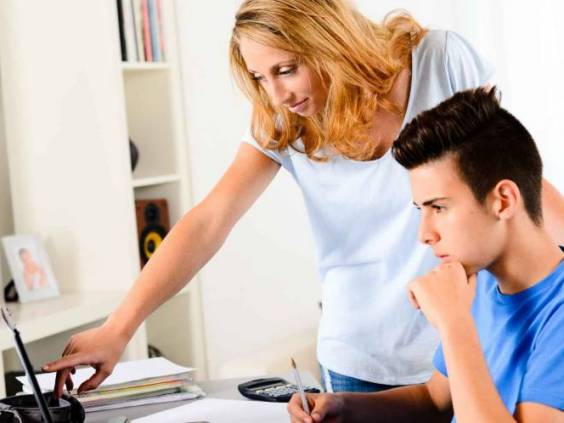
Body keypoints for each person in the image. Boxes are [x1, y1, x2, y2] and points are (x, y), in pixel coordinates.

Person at [43, 0, 564, 397]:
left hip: (469, 343)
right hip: (360, 360)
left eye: (286, 69)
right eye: (259, 77)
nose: (276, 94)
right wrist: (119, 328)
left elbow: (521, 181)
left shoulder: (440, 61)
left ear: (329, 40)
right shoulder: (282, 121)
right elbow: (209, 222)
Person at [288, 87, 564, 422]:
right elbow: (435, 399)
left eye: (439, 208)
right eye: (421, 209)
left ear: (503, 200)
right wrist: (343, 406)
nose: (424, 235)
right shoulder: (481, 284)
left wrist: (454, 324)